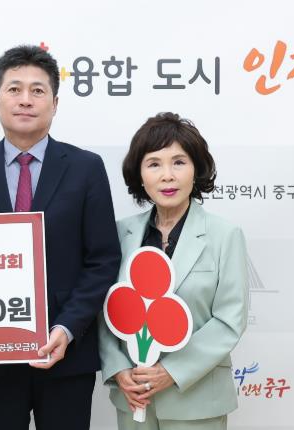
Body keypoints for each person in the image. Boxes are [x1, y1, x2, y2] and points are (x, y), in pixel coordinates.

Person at [0, 45, 121, 430]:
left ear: (55, 104)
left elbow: (103, 259)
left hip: (67, 352)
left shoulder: (86, 168)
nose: (26, 100)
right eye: (14, 89)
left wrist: (67, 328)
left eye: (38, 91)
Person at [98, 112, 248, 429]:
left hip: (196, 400)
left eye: (179, 162)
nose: (168, 175)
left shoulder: (224, 235)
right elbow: (105, 310)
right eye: (154, 164)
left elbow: (229, 319)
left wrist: (172, 371)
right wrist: (118, 369)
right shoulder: (119, 234)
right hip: (134, 400)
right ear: (140, 175)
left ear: (196, 169)